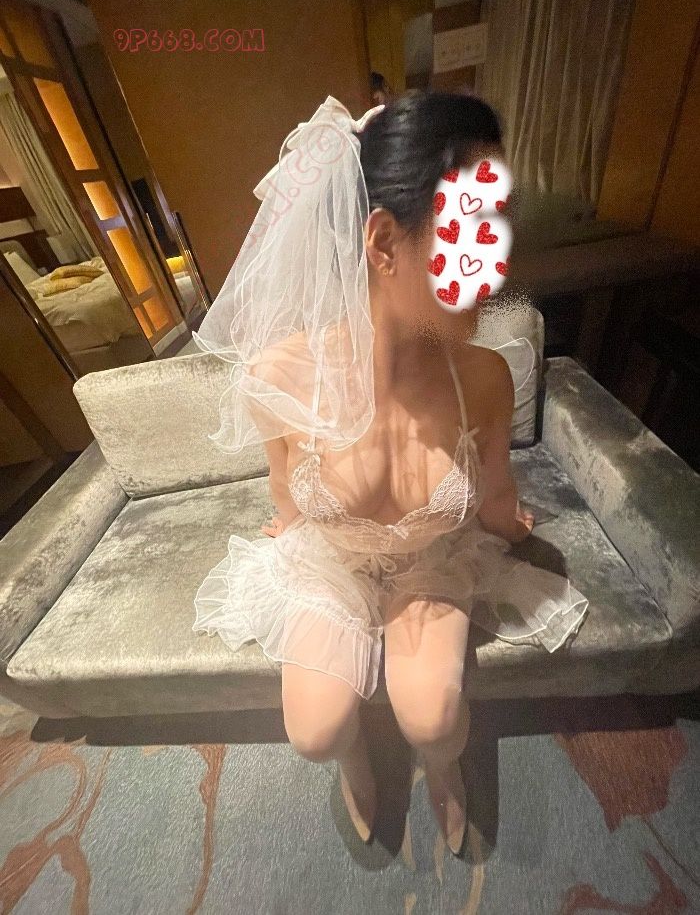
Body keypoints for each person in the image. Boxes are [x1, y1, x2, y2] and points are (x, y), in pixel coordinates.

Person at [191, 91, 589, 855]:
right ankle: (354, 757)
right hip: (332, 564)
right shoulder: (280, 374)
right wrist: (290, 521)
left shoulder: (484, 376)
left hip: (431, 562)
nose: (498, 262)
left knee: (433, 720)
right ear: (382, 243)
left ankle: (440, 766)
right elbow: (283, 485)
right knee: (315, 730)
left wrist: (509, 529)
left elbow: (497, 491)